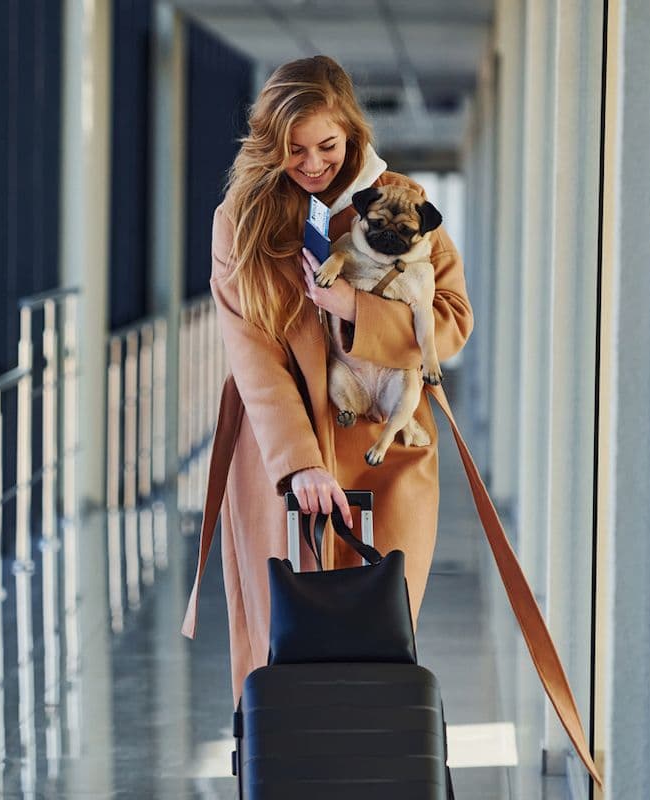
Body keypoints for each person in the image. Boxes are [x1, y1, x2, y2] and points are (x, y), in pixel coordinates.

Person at [180, 55, 473, 703]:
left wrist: (356, 311)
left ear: (352, 132)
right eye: (294, 150)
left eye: (328, 146)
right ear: (268, 143)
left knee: (378, 646)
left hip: (388, 450)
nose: (312, 164)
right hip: (279, 460)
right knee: (279, 651)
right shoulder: (242, 219)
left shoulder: (402, 202)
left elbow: (449, 325)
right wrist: (300, 463)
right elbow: (251, 352)